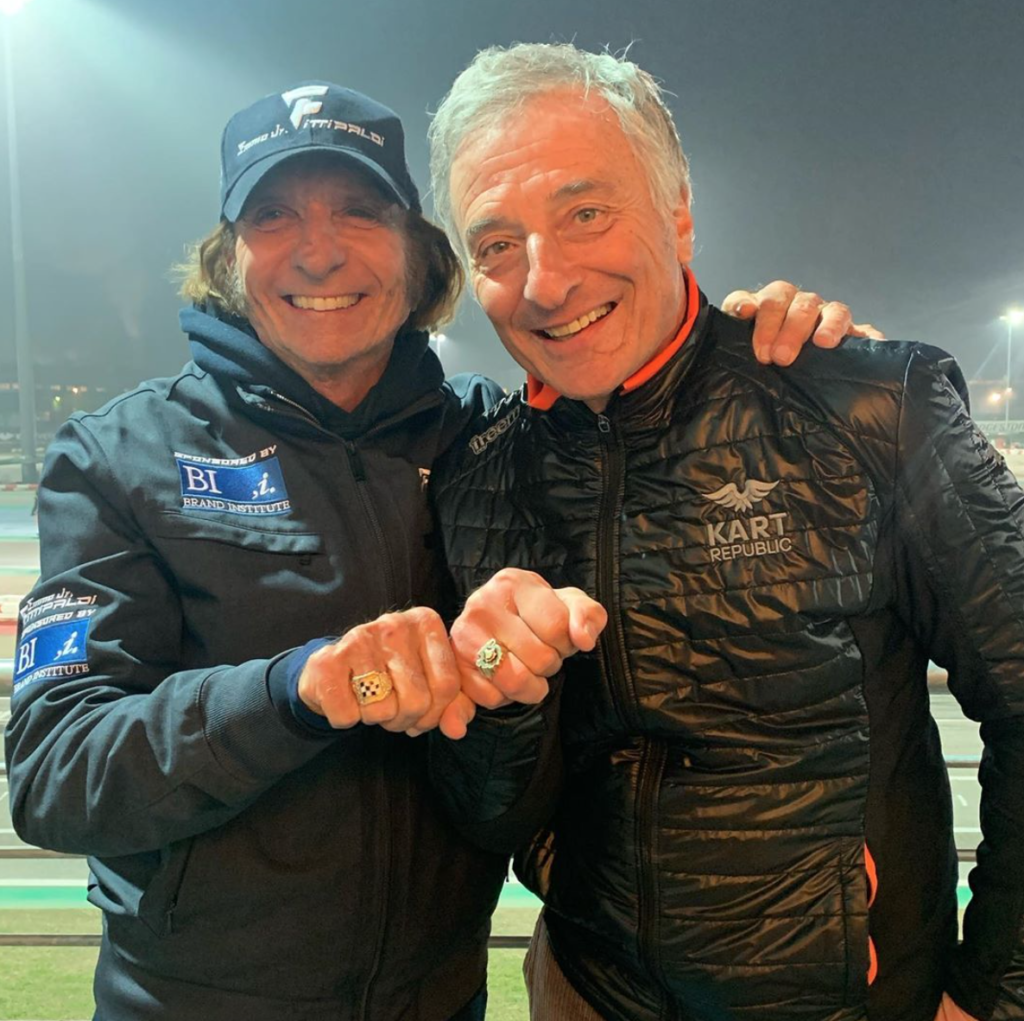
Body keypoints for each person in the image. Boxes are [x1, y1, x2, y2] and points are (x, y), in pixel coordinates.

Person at [3, 80, 854, 1020]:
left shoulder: (495, 437)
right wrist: (293, 692)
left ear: (419, 252)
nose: (318, 249)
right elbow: (54, 774)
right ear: (228, 256)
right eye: (273, 215)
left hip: (444, 999)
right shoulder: (118, 456)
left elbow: (653, 416)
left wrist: (786, 359)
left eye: (359, 210)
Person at [425, 44, 1024, 1021]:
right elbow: (486, 811)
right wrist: (498, 699)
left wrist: (996, 993)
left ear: (679, 213)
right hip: (586, 989)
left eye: (585, 212)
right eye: (495, 243)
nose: (545, 280)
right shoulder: (479, 473)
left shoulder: (868, 403)